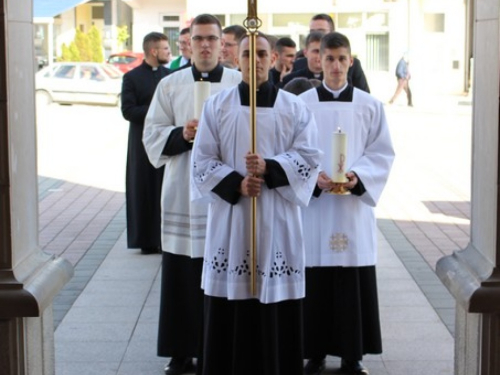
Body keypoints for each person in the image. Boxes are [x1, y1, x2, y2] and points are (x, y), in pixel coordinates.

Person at [191, 33, 321, 375]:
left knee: (274, 309)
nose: (255, 61)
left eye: (262, 54)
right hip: (232, 220)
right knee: (231, 307)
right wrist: (237, 182)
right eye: (248, 54)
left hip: (277, 218)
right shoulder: (216, 107)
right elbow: (201, 161)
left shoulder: (295, 109)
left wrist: (269, 168)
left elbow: (309, 158)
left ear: (274, 59)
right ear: (238, 59)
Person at [143, 14, 241, 375]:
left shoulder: (238, 83)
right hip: (183, 191)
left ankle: (222, 347)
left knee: (224, 270)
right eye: (198, 38)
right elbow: (152, 134)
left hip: (224, 194)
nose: (204, 45)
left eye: (211, 39)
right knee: (182, 275)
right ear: (189, 41)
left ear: (222, 43)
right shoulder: (171, 85)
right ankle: (181, 351)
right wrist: (183, 135)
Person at [299, 32, 395, 375]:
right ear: (318, 60)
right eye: (329, 59)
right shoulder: (303, 104)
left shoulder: (370, 106)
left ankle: (353, 354)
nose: (336, 66)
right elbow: (295, 152)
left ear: (351, 62)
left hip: (353, 208)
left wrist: (358, 177)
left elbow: (381, 153)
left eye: (342, 59)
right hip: (318, 208)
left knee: (351, 277)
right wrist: (313, 178)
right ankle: (314, 351)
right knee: (317, 278)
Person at [121, 32, 171, 255]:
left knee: (165, 187)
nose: (169, 53)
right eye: (165, 49)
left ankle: (165, 237)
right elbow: (128, 110)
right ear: (153, 51)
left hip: (166, 139)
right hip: (140, 143)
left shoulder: (169, 76)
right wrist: (156, 112)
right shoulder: (131, 78)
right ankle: (146, 240)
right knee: (142, 188)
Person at [293, 14, 370, 93]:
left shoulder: (353, 66)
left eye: (321, 31)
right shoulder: (299, 64)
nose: (316, 35)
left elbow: (364, 97)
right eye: (312, 31)